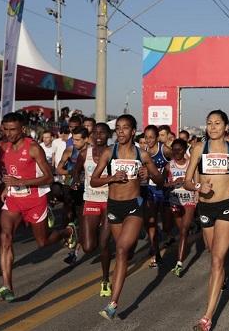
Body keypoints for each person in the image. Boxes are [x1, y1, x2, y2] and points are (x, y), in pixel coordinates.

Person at [0, 113, 76, 302]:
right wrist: (5, 187)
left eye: (13, 129)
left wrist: (21, 182)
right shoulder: (2, 147)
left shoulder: (33, 148)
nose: (9, 133)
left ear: (23, 129)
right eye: (6, 129)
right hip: (13, 199)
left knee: (43, 242)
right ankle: (6, 286)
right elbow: (5, 171)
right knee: (5, 237)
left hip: (35, 199)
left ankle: (67, 232)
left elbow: (49, 177)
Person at [184, 110, 229, 331]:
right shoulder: (199, 148)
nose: (213, 127)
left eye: (217, 123)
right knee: (211, 251)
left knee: (217, 259)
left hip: (227, 207)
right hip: (206, 207)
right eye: (209, 123)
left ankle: (206, 318)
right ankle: (221, 275)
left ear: (226, 126)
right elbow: (187, 181)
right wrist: (199, 187)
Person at [90, 115, 163, 320]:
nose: (121, 132)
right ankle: (133, 242)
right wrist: (112, 177)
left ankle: (113, 303)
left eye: (125, 128)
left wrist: (147, 175)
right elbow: (94, 181)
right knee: (124, 251)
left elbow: (160, 178)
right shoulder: (108, 152)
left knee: (121, 249)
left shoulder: (143, 155)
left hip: (134, 207)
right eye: (118, 128)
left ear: (133, 132)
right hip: (114, 206)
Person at [72, 123, 112, 296]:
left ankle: (105, 280)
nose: (98, 136)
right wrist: (75, 181)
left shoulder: (114, 153)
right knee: (89, 247)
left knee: (103, 244)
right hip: (91, 200)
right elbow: (76, 171)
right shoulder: (84, 153)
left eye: (102, 133)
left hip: (110, 201)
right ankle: (78, 232)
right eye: (95, 132)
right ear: (90, 135)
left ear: (108, 135)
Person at [164, 138, 197, 277]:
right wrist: (172, 183)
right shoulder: (169, 166)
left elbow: (197, 182)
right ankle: (183, 246)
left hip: (189, 200)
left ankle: (179, 262)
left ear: (184, 150)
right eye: (174, 149)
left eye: (180, 149)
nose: (176, 152)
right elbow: (163, 184)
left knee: (183, 230)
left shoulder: (191, 164)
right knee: (181, 229)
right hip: (175, 201)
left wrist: (197, 194)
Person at [144, 125, 172, 267]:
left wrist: (169, 172)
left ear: (156, 137)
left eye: (151, 137)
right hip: (151, 189)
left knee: (167, 226)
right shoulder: (144, 152)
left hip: (165, 190)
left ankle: (164, 234)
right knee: (151, 221)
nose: (148, 140)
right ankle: (155, 252)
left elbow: (180, 160)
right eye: (146, 137)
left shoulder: (165, 149)